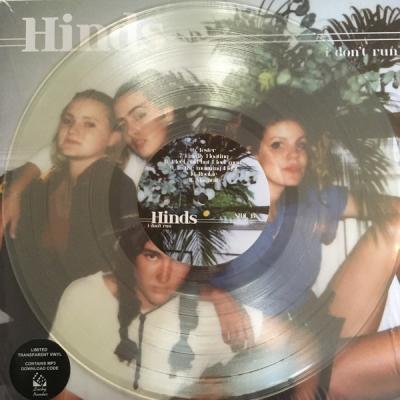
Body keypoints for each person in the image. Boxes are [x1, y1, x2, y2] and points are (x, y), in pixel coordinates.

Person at [210, 86, 400, 398]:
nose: (294, 155)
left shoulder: (308, 202)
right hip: (274, 359)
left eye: (300, 145)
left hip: (319, 326)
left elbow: (390, 207)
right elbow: (177, 272)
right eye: (277, 145)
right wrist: (218, 296)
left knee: (396, 228)